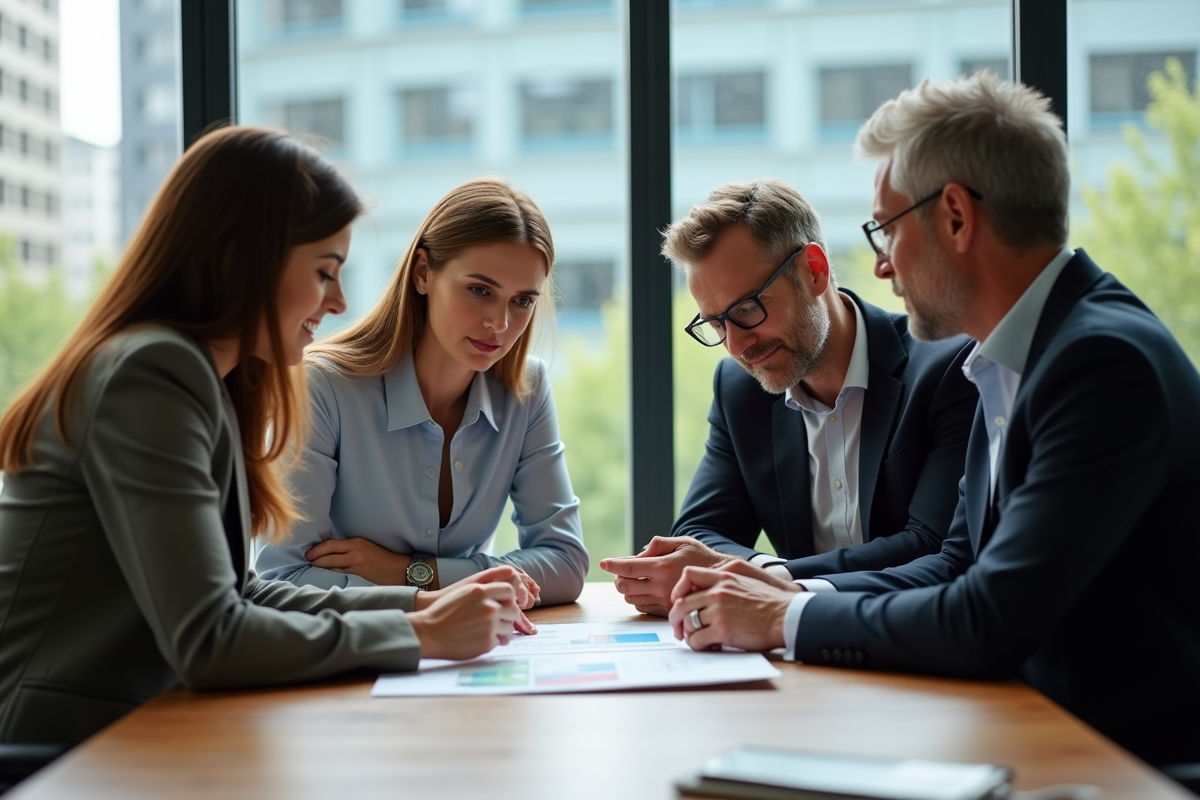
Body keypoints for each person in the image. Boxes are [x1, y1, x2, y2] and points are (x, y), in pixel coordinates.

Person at [667, 72, 1200, 767]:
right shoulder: (1010, 358)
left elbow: (988, 616)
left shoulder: (1098, 362)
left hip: (1121, 762)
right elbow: (955, 563)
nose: (881, 268)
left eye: (887, 230)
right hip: (1033, 732)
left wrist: (784, 615)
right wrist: (786, 589)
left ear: (955, 216)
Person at [0, 127, 531, 748]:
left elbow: (240, 592)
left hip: (132, 733)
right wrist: (422, 634)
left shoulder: (208, 378)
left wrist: (420, 606)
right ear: (245, 258)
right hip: (54, 751)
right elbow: (210, 637)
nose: (338, 302)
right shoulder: (151, 373)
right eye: (325, 272)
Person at [599, 180, 977, 616]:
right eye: (716, 324)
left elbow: (933, 546)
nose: (736, 346)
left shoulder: (946, 369)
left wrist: (767, 580)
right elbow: (701, 532)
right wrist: (757, 573)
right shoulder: (739, 390)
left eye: (747, 310)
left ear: (814, 271)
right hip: (792, 647)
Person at [254, 177, 588, 606]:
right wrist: (431, 601)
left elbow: (565, 563)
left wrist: (411, 572)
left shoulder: (528, 389)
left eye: (522, 301)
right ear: (423, 273)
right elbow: (282, 578)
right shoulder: (323, 387)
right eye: (480, 290)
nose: (500, 324)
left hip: (469, 639)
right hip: (357, 644)